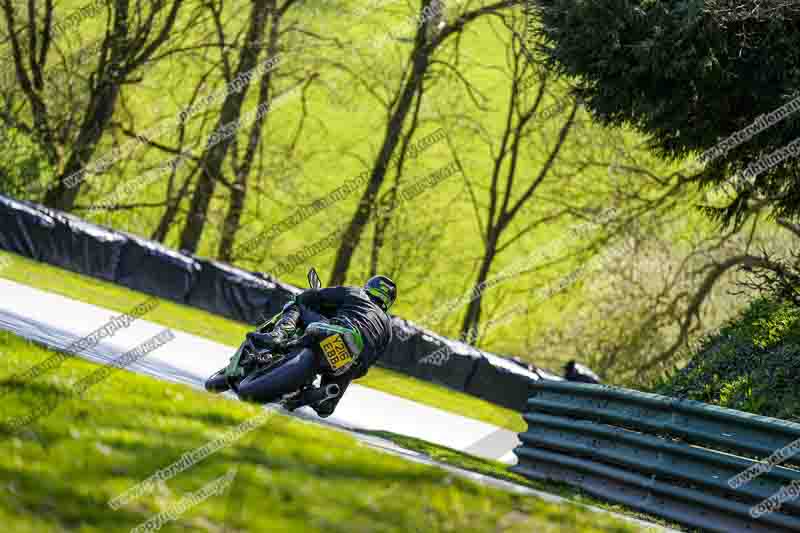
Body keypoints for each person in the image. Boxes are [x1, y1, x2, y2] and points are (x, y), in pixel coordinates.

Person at [239, 275, 397, 417]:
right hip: (355, 360)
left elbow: (318, 296)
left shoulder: (356, 293)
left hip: (337, 332)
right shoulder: (388, 327)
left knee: (297, 304)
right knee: (325, 407)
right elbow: (372, 361)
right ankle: (310, 396)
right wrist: (352, 371)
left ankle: (279, 335)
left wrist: (304, 296)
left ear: (370, 286)